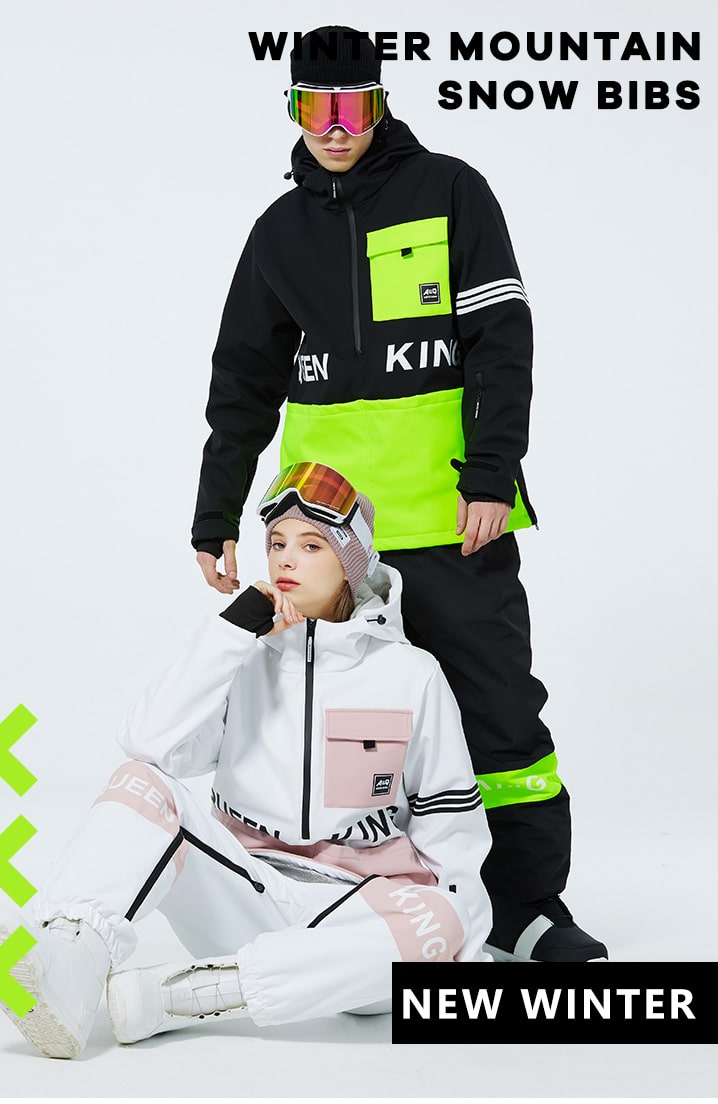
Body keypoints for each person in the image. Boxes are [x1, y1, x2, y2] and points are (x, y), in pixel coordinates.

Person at [191, 27, 607, 962]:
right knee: (352, 726)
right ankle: (370, 897)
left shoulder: (451, 190)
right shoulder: (277, 231)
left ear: (379, 104)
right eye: (316, 107)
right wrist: (215, 514)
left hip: (449, 517)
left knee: (498, 710)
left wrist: (492, 472)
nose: (335, 127)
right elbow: (242, 383)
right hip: (327, 537)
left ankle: (527, 907)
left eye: (354, 106)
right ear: (294, 109)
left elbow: (503, 342)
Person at [0, 462, 493, 1059]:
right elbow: (148, 743)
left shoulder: (410, 674)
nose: (286, 560)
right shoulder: (242, 654)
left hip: (357, 920)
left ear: (351, 563)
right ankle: (68, 963)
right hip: (249, 890)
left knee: (443, 920)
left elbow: (451, 824)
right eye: (276, 544)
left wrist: (461, 939)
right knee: (138, 782)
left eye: (311, 545)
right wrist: (230, 632)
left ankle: (175, 997)